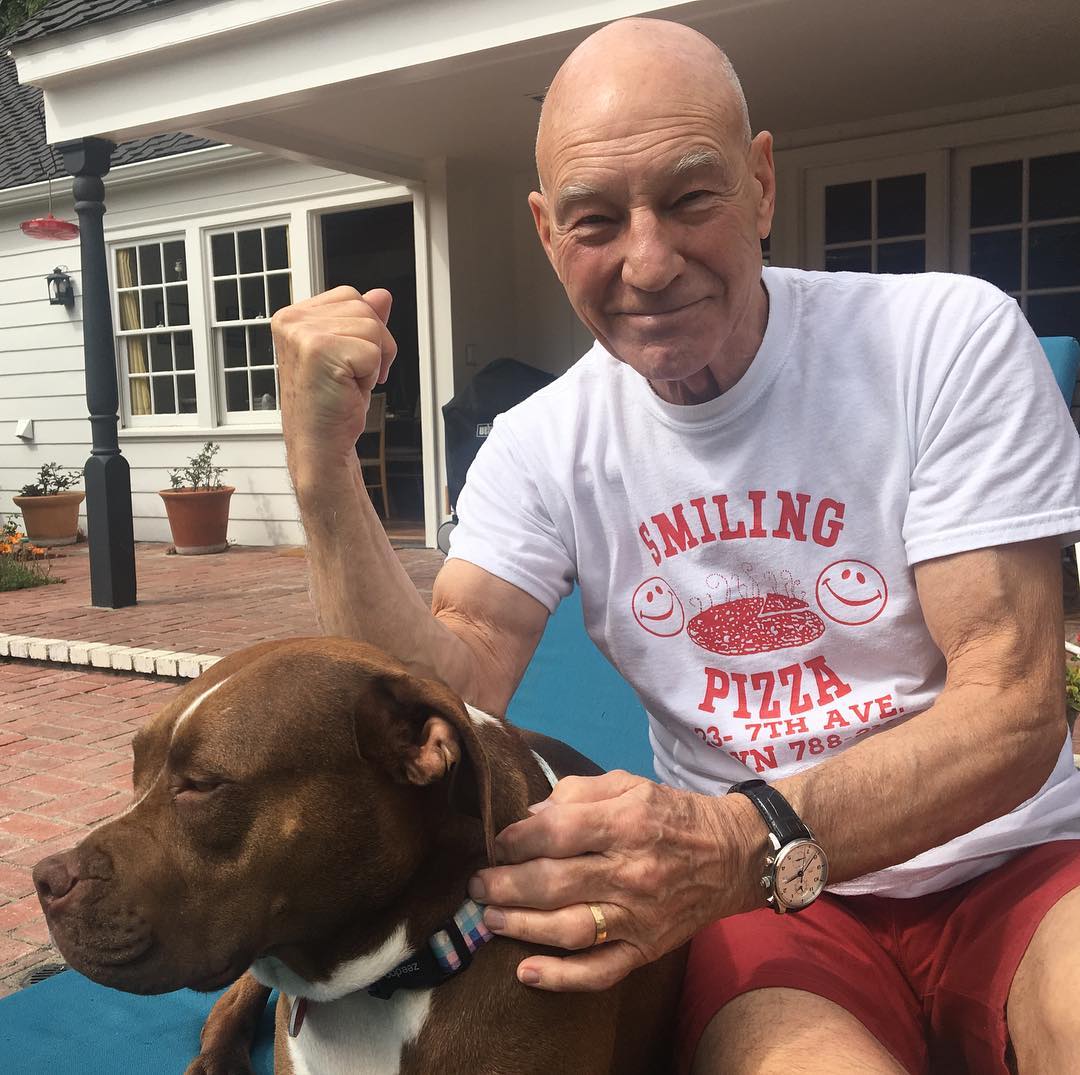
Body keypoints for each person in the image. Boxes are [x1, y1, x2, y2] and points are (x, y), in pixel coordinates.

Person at [271, 17, 1080, 1075]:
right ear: (544, 231)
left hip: (1013, 862)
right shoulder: (539, 445)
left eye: (691, 196)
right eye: (595, 219)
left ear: (761, 183)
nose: (647, 263)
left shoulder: (943, 340)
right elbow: (446, 684)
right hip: (771, 921)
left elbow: (1013, 706)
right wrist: (326, 480)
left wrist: (741, 839)